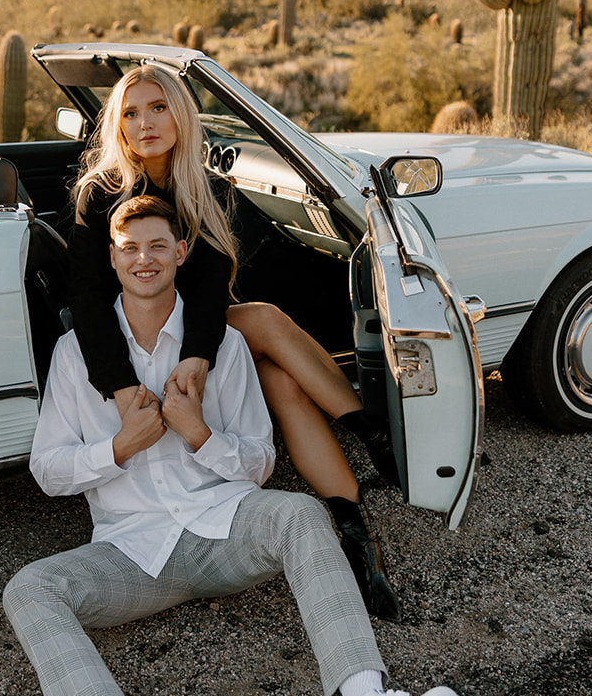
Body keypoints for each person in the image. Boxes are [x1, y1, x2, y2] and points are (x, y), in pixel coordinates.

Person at [3, 196, 471, 696]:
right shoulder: (78, 356)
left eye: (158, 246)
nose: (144, 259)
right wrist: (119, 447)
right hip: (135, 556)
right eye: (130, 248)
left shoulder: (217, 344)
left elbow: (256, 462)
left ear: (180, 254)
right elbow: (48, 471)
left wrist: (198, 435)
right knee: (28, 588)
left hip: (221, 528)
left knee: (302, 513)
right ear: (111, 258)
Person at [67, 61, 399, 619]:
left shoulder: (203, 186)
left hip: (187, 328)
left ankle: (357, 538)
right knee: (266, 318)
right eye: (130, 112)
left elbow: (208, 290)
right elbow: (87, 303)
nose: (145, 122)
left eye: (157, 107)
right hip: (132, 339)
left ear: (180, 112)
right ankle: (374, 434)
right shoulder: (101, 193)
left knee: (282, 383)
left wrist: (197, 356)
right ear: (117, 126)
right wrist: (121, 387)